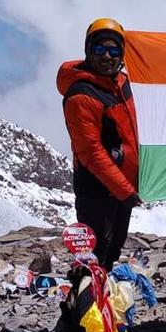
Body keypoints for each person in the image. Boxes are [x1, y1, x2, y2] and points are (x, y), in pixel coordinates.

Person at [56, 17, 142, 270]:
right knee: (93, 257)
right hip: (96, 189)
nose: (107, 56)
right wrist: (124, 190)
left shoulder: (122, 83)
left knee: (114, 247)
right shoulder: (81, 95)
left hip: (122, 186)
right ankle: (83, 307)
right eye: (100, 49)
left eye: (114, 50)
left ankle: (104, 305)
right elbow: (90, 152)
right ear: (89, 51)